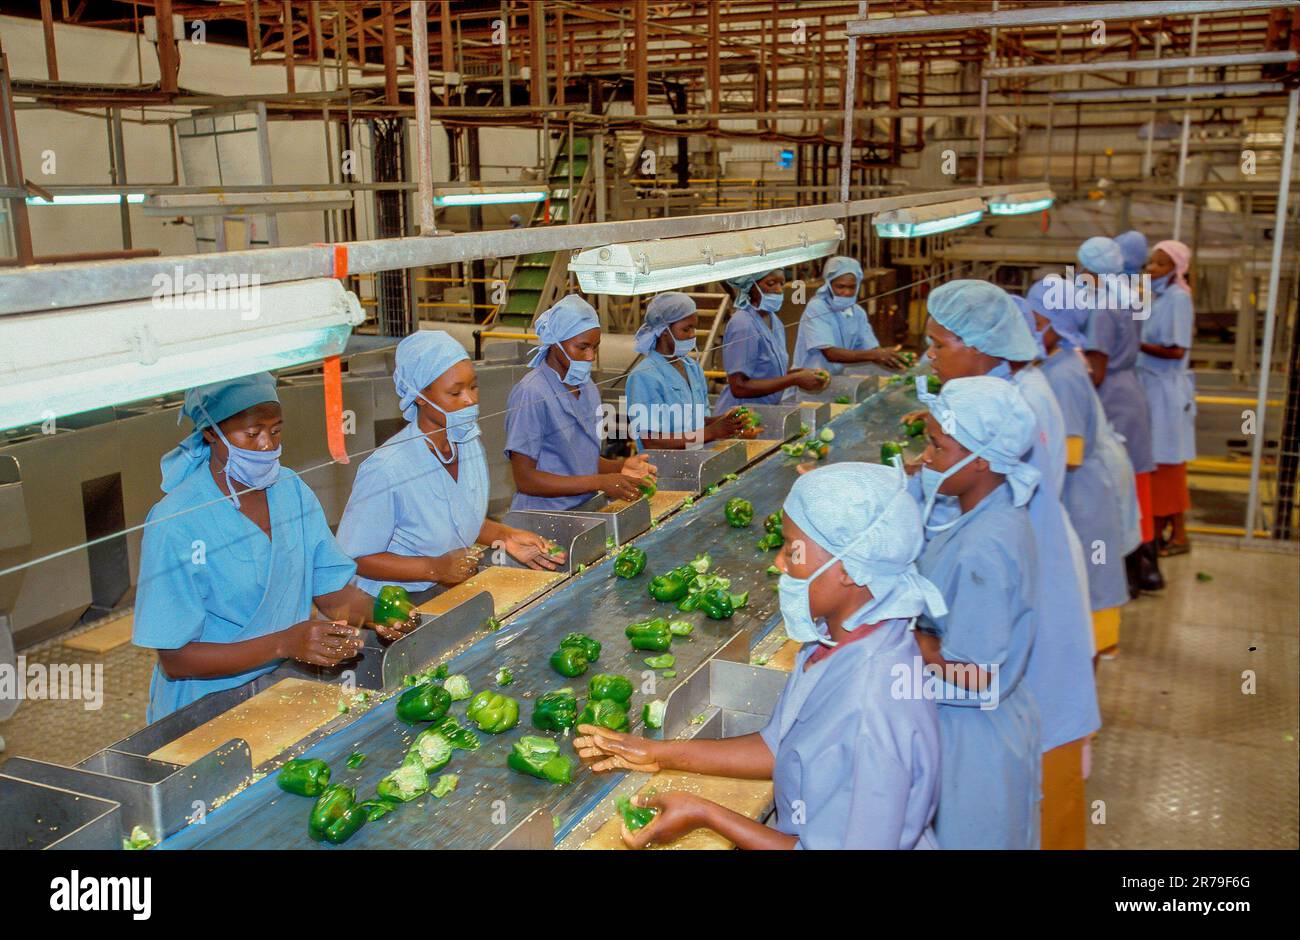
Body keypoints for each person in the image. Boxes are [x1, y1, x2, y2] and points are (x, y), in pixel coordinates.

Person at [573, 462, 945, 849]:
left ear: (849, 568)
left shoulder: (871, 709)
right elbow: (779, 747)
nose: (779, 563)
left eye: (792, 550)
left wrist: (707, 814)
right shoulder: (834, 642)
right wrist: (657, 753)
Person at [921, 279, 1100, 850]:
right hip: (1010, 649)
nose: (930, 355)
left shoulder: (1012, 410)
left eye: (939, 344)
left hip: (1008, 649)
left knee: (1017, 809)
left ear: (981, 346)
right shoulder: (1004, 398)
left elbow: (972, 670)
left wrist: (916, 642)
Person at [133, 374, 416, 723]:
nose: (267, 445)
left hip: (279, 690)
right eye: (252, 434)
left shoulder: (290, 490)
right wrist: (285, 644)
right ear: (211, 432)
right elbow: (175, 659)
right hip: (202, 710)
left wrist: (385, 615)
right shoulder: (175, 521)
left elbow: (331, 594)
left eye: (276, 430)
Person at [911, 376, 1042, 849]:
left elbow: (976, 674)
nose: (926, 458)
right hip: (985, 723)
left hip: (975, 741)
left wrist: (913, 640)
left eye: (937, 447)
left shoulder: (984, 548)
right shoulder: (992, 510)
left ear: (981, 458)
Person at [337, 331, 563, 602]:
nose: (470, 400)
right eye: (455, 392)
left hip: (447, 590)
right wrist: (435, 568)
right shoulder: (388, 468)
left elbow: (456, 518)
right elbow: (356, 558)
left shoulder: (467, 443)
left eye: (473, 387)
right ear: (419, 395)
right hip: (394, 602)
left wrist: (506, 536)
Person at [1027, 281, 1132, 659]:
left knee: (1095, 568)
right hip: (1087, 482)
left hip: (1085, 489)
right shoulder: (1062, 359)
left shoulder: (1064, 375)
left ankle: (1098, 649)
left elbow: (1068, 453)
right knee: (1091, 569)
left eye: (1034, 317)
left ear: (1055, 322)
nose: (1028, 323)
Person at [505, 295, 657, 510]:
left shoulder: (587, 387)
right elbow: (525, 478)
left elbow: (579, 459)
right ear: (555, 343)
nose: (590, 357)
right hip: (542, 516)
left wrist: (621, 466)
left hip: (583, 507)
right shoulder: (531, 393)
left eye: (595, 347)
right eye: (582, 347)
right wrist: (599, 482)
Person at [1078, 236, 1163, 592]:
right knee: (1133, 485)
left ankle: (1130, 574)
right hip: (1131, 391)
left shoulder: (1101, 307)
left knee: (1113, 485)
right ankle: (1146, 570)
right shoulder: (1129, 297)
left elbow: (1096, 370)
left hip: (1111, 397)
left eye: (1083, 269)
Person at [624, 292, 748, 449]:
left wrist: (726, 421)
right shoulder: (644, 376)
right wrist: (712, 432)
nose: (692, 335)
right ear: (663, 331)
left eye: (694, 328)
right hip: (663, 469)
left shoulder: (692, 367)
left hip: (694, 462)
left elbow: (697, 421)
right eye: (686, 329)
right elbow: (651, 441)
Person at [1140, 240, 1197, 557]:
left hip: (1166, 390)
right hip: (1153, 386)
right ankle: (1171, 530)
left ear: (1176, 269)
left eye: (1160, 264)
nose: (1152, 269)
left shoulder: (1177, 299)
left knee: (1166, 464)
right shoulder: (1158, 296)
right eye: (1150, 263)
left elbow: (1176, 349)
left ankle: (1174, 532)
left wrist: (1133, 343)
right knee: (1163, 463)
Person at [714, 269, 828, 413]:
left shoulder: (775, 321)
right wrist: (794, 379)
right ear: (750, 286)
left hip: (763, 411)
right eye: (771, 283)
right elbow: (739, 387)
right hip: (740, 415)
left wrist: (801, 374)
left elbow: (768, 372)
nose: (779, 290)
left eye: (782, 283)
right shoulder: (743, 324)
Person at [792, 255, 908, 378]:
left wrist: (891, 358)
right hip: (808, 382)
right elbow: (831, 354)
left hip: (834, 381)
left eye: (852, 287)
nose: (846, 292)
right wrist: (877, 355)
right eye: (840, 286)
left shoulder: (857, 313)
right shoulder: (817, 308)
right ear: (829, 284)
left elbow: (871, 348)